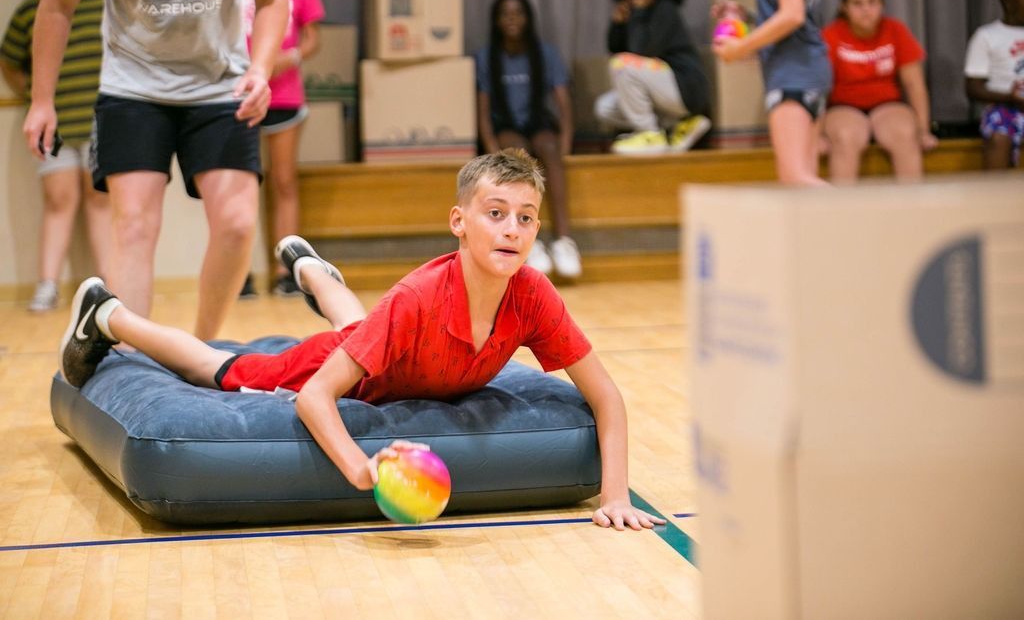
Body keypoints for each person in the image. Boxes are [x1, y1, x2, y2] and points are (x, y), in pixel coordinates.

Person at [59, 149, 664, 531]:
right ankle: (109, 315)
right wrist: (357, 465)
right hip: (361, 372)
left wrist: (614, 496)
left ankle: (314, 272)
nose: (512, 230)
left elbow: (606, 397)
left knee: (361, 326)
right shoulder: (416, 298)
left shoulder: (533, 293)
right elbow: (314, 398)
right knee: (219, 369)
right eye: (495, 213)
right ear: (459, 221)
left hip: (392, 351)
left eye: (526, 218)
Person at [22, 0, 289, 340]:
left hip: (221, 88)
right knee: (133, 226)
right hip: (132, 88)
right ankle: (135, 356)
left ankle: (202, 343)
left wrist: (261, 69)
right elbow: (58, 0)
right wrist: (42, 100)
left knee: (236, 224)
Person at [0, 0, 110, 312]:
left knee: (100, 202)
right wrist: (34, 94)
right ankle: (47, 287)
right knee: (59, 201)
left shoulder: (107, 2)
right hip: (53, 124)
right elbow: (9, 58)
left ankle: (108, 291)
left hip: (102, 120)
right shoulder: (34, 10)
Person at [475, 0, 580, 279]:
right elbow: (482, 111)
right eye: (505, 14)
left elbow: (563, 102)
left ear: (528, 18)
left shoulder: (544, 53)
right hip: (506, 125)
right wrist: (492, 149)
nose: (512, 19)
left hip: (537, 122)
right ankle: (531, 244)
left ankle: (564, 241)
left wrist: (566, 140)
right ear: (496, 21)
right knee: (518, 153)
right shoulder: (487, 57)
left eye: (518, 13)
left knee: (548, 147)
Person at [713, 0, 831, 186]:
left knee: (796, 180)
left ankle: (862, 220)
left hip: (792, 74)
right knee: (804, 184)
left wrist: (740, 48)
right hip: (810, 70)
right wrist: (748, 15)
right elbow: (798, 14)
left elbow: (792, 15)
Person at [238, 0, 326, 298]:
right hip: (239, 95)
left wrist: (289, 58)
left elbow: (312, 38)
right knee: (240, 186)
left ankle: (286, 272)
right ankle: (240, 274)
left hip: (285, 95)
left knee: (284, 181)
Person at [821, 0, 937, 182]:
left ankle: (914, 208)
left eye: (872, 2)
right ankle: (839, 211)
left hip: (887, 104)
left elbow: (914, 84)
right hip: (843, 106)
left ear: (882, 5)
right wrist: (816, 135)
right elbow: (818, 88)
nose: (866, 9)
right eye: (857, 3)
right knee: (847, 137)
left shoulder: (896, 30)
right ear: (844, 8)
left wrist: (923, 130)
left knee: (903, 134)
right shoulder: (831, 35)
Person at [596, 0, 711, 155]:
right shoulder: (634, 15)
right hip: (661, 92)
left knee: (621, 64)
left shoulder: (665, 9)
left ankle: (649, 133)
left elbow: (643, 52)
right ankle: (676, 127)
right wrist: (618, 25)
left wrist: (639, 12)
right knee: (604, 108)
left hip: (685, 88)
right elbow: (616, 49)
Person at [965, 0, 1024, 169]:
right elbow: (972, 87)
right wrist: (1010, 97)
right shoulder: (987, 36)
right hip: (1004, 107)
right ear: (1008, 0)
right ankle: (994, 197)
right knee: (999, 136)